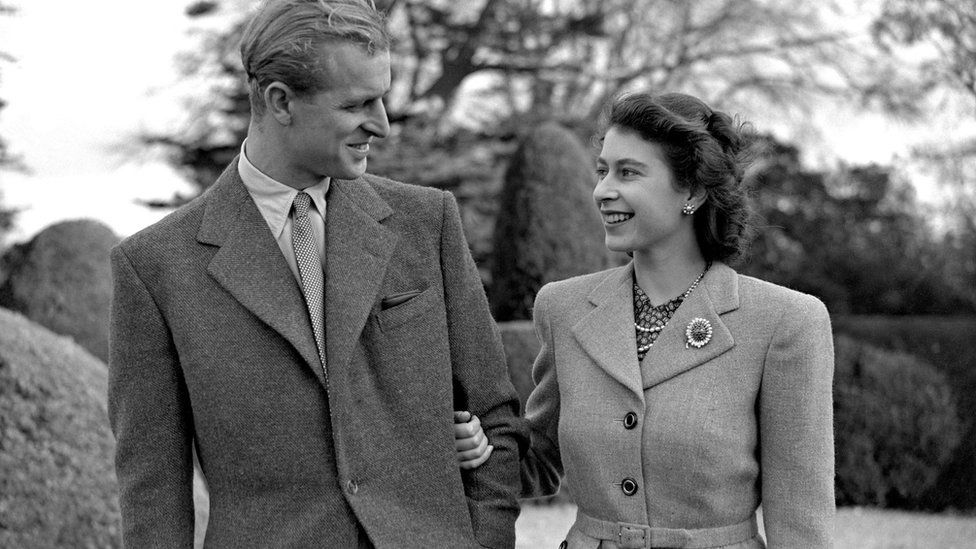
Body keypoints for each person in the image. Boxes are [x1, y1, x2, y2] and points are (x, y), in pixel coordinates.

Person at [107, 0, 526, 547]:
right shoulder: (155, 266)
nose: (382, 124)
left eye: (383, 97)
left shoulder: (428, 222)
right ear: (280, 101)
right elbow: (152, 494)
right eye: (357, 104)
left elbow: (496, 419)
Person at [457, 91, 835, 548]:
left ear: (693, 190)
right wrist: (483, 451)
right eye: (602, 171)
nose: (602, 190)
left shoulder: (786, 323)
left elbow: (801, 524)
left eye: (628, 172)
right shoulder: (563, 309)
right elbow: (538, 461)